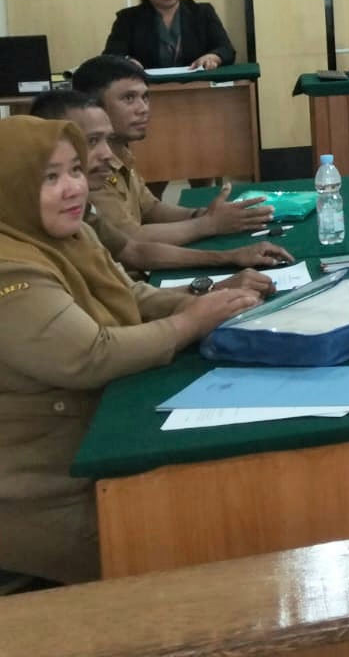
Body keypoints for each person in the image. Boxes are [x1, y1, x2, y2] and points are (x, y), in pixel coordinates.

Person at [0, 115, 269, 584]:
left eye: (75, 170)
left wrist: (203, 304)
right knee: (189, 559)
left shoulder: (68, 234)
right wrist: (188, 324)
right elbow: (90, 355)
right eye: (50, 177)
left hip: (97, 444)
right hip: (43, 495)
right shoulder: (11, 268)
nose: (72, 187)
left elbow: (129, 295)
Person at [28, 91, 290, 275]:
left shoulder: (87, 207)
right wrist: (208, 225)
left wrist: (227, 254)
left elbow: (135, 248)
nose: (106, 153)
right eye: (92, 141)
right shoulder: (38, 225)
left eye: (145, 97)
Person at [70, 56, 272, 244]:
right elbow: (132, 240)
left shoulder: (121, 152)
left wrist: (203, 215)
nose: (143, 108)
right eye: (129, 98)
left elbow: (150, 209)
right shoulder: (89, 167)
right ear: (92, 107)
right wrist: (209, 224)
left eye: (145, 97)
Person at [102, 0, 236, 72]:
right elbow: (110, 57)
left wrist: (213, 57)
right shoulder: (128, 19)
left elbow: (226, 49)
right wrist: (127, 62)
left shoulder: (202, 12)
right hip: (146, 88)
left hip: (197, 85)